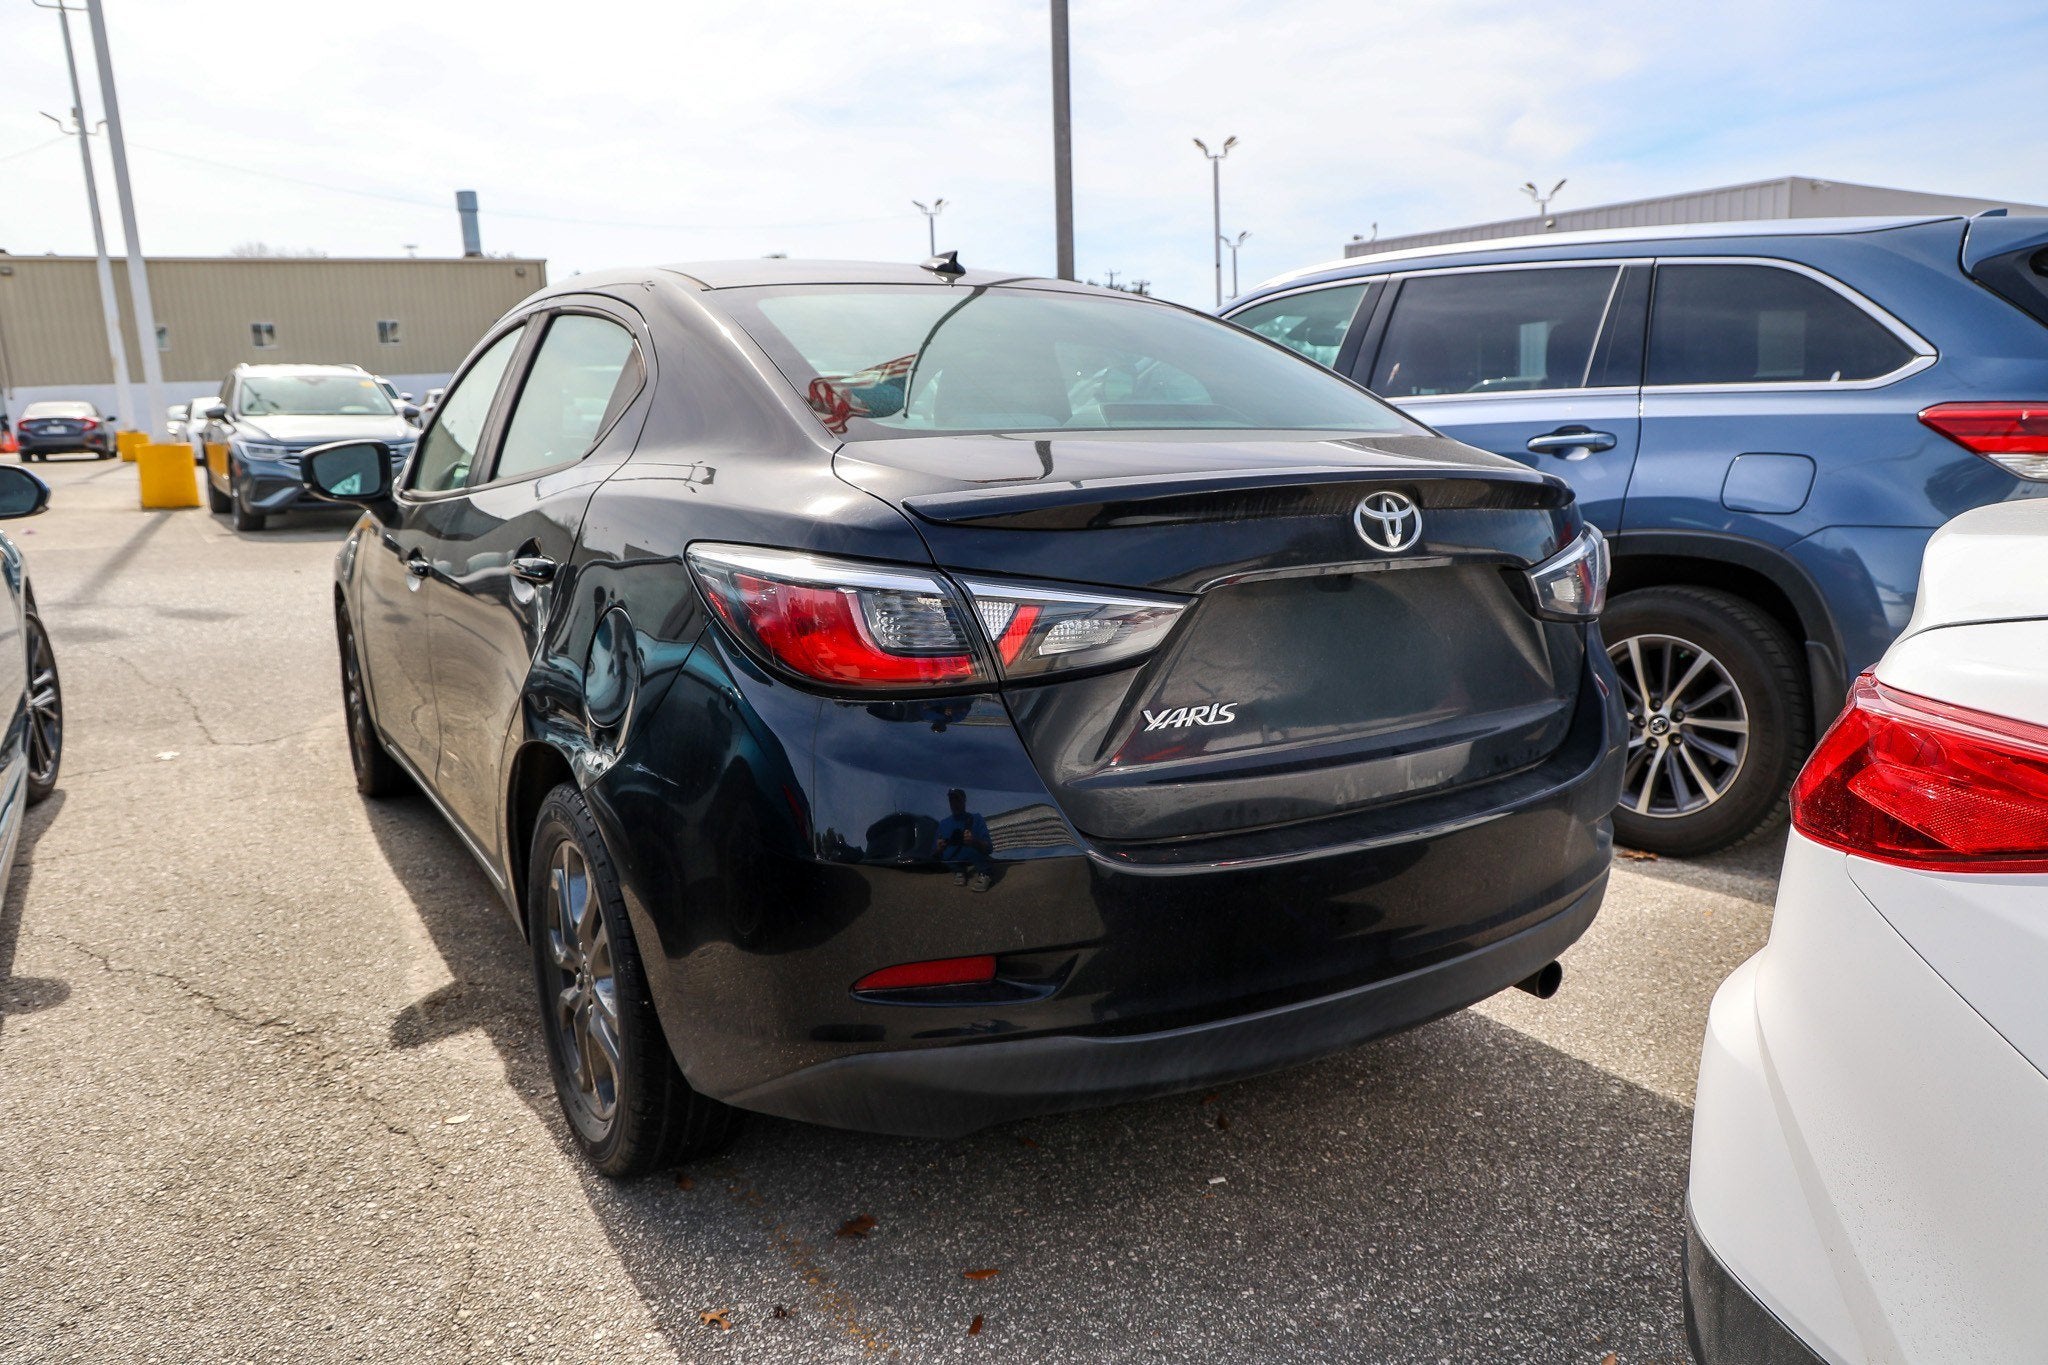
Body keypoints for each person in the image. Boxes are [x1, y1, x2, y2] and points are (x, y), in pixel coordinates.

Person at [934, 788, 994, 892]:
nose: (954, 803)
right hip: (953, 862)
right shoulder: (943, 824)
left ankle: (985, 874)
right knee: (947, 853)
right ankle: (959, 870)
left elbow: (989, 848)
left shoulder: (976, 818)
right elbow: (933, 854)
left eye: (957, 799)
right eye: (951, 800)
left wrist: (974, 841)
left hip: (977, 860)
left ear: (964, 800)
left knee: (979, 854)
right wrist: (939, 849)